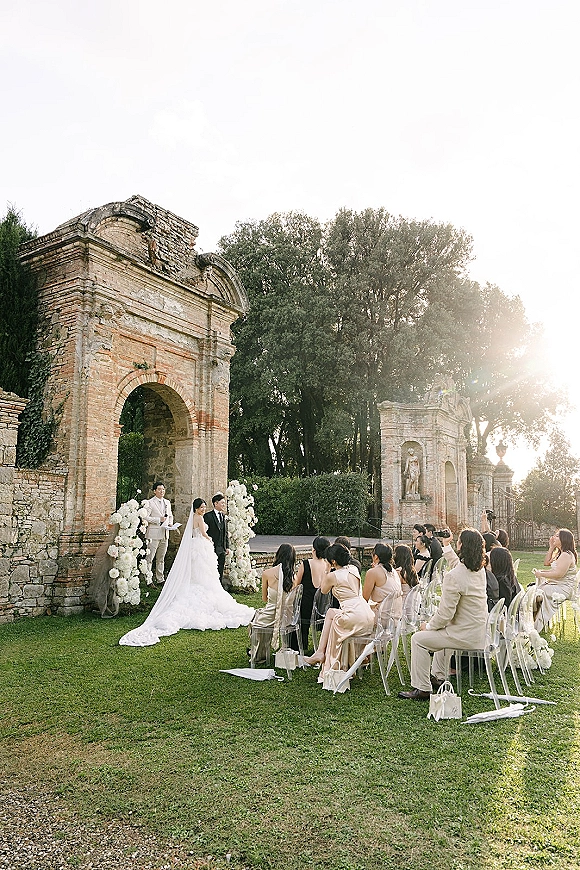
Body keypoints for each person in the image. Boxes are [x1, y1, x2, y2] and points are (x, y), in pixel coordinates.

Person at [119, 498, 254, 646]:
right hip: (201, 547)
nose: (203, 509)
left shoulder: (194, 518)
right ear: (196, 508)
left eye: (204, 507)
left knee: (197, 574)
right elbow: (203, 533)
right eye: (201, 507)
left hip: (195, 547)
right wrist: (210, 540)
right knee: (205, 574)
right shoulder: (200, 518)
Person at [398, 528, 488, 700]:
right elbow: (457, 565)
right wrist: (447, 545)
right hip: (478, 632)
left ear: (462, 545)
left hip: (464, 635)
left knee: (418, 639)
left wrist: (428, 626)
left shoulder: (454, 576)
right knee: (440, 633)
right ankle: (438, 678)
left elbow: (445, 614)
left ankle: (423, 688)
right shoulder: (478, 570)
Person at [303, 544, 374, 681]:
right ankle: (319, 653)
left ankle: (321, 655)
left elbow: (323, 590)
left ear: (333, 561)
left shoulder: (333, 576)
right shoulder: (354, 568)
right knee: (331, 613)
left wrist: (327, 571)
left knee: (333, 618)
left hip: (353, 616)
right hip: (367, 613)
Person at [249, 544, 298, 663]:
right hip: (287, 619)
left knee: (255, 620)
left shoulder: (267, 573)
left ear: (278, 555)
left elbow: (265, 599)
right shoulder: (294, 578)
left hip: (270, 617)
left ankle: (257, 651)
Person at [290, 536, 330, 653]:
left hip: (306, 610)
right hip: (322, 609)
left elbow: (295, 584)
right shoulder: (328, 566)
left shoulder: (306, 564)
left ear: (314, 549)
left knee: (296, 610)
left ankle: (298, 645)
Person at [532, 529, 578, 631]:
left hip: (564, 588)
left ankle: (536, 624)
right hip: (557, 584)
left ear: (563, 539)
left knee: (540, 592)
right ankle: (534, 620)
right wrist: (551, 547)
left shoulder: (566, 555)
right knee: (536, 591)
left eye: (557, 536)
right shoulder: (560, 553)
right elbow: (546, 563)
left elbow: (558, 574)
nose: (553, 537)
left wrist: (541, 574)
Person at [362, 543, 403, 620]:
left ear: (376, 557)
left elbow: (364, 600)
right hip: (396, 616)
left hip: (382, 618)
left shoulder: (372, 573)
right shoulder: (393, 571)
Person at [144, 482, 173, 586]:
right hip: (153, 534)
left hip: (165, 533)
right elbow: (145, 517)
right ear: (154, 491)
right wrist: (158, 520)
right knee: (150, 558)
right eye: (159, 489)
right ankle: (149, 580)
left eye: (163, 489)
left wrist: (170, 523)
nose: (162, 491)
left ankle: (160, 579)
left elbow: (170, 516)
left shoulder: (167, 502)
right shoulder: (150, 502)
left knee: (161, 558)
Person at [204, 492, 230, 589]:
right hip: (211, 548)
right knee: (211, 569)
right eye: (222, 503)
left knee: (220, 569)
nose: (224, 505)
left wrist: (227, 547)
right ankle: (211, 587)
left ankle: (219, 587)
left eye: (224, 503)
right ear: (215, 503)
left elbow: (225, 533)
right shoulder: (208, 516)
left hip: (221, 549)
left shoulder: (223, 516)